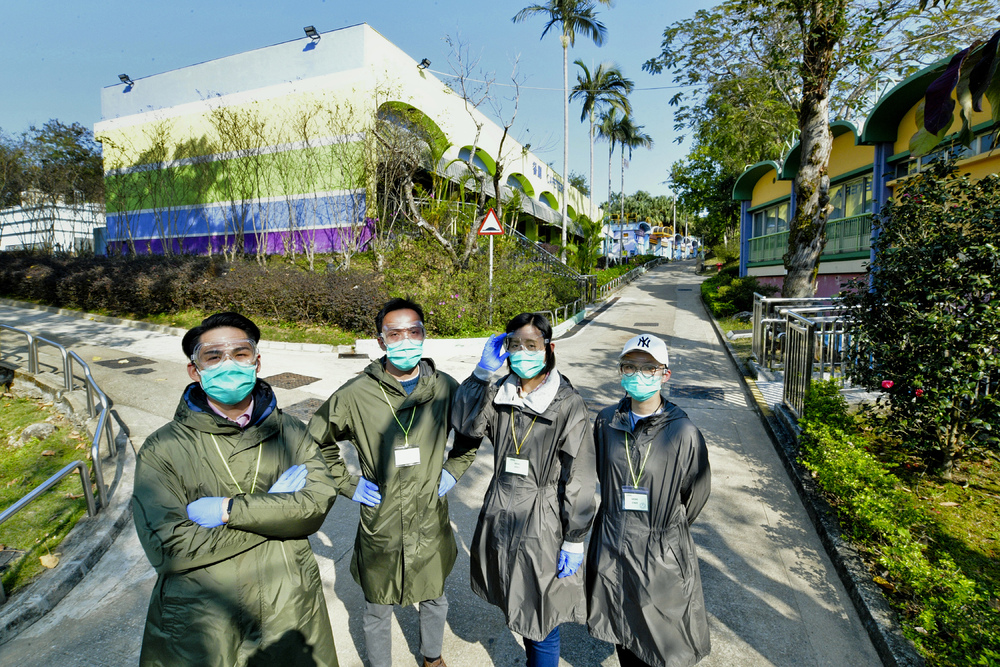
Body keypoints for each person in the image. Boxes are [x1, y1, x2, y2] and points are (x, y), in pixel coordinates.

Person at [132, 312, 340, 667]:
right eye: (213, 356)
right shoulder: (162, 447)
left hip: (288, 605)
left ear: (257, 361)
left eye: (240, 353)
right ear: (194, 370)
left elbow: (317, 503)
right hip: (205, 614)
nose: (228, 363)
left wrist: (230, 511)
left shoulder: (291, 431)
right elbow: (170, 548)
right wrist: (277, 512)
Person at [305, 298, 480, 667]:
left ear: (424, 335)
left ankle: (432, 658)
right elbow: (316, 439)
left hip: (430, 514)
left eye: (413, 331)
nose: (405, 340)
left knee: (434, 596)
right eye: (395, 333)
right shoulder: (357, 394)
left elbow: (470, 434)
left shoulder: (445, 388)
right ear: (381, 340)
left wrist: (453, 469)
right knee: (376, 605)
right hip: (381, 519)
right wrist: (347, 484)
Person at [451, 312, 597, 667]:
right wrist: (481, 375)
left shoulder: (567, 403)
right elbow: (465, 425)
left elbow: (579, 472)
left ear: (548, 348)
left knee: (540, 615)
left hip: (542, 518)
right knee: (511, 595)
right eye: (514, 345)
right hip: (501, 509)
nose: (522, 352)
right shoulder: (501, 392)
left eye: (531, 345)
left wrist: (575, 536)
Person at [586, 334, 712, 667]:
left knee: (662, 646)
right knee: (623, 636)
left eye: (648, 368)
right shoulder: (605, 421)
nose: (638, 374)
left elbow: (695, 496)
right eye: (630, 366)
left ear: (664, 374)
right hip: (613, 546)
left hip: (660, 554)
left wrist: (662, 530)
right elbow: (596, 471)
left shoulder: (683, 432)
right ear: (621, 371)